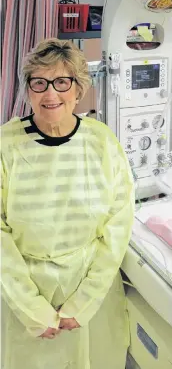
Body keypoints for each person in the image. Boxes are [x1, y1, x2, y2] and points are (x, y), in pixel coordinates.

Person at [1, 38, 134, 369]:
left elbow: (118, 225)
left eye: (62, 82)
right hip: (25, 293)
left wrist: (85, 301)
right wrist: (32, 309)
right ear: (28, 90)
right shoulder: (6, 144)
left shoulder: (102, 141)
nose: (50, 94)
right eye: (39, 83)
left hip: (92, 291)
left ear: (78, 89)